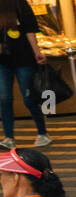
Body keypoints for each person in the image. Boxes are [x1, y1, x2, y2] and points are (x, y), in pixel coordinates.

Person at [0, 0, 50, 149]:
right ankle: (9, 137)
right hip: (3, 61)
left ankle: (43, 133)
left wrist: (37, 53)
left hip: (24, 59)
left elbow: (30, 31)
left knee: (28, 99)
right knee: (5, 99)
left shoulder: (20, 4)